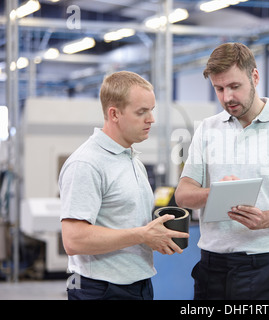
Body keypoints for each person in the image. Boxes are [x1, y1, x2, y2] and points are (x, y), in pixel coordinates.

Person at [174, 43, 269, 300]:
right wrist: (216, 193)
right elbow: (183, 196)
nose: (227, 98)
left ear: (255, 77)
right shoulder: (207, 129)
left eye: (234, 86)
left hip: (265, 268)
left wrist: (265, 219)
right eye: (219, 89)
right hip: (212, 268)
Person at [59, 71, 188, 300]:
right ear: (114, 114)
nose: (151, 119)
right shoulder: (86, 163)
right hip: (99, 289)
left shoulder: (131, 159)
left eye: (151, 110)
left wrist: (154, 235)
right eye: (141, 112)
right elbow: (73, 239)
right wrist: (142, 235)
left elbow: (125, 223)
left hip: (138, 285)